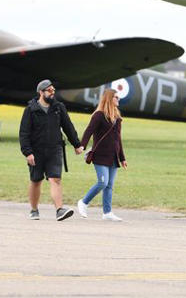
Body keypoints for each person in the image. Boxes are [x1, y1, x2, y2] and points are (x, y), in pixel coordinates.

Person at [19, 79, 83, 221]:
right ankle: (34, 210)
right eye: (49, 91)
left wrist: (76, 144)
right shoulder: (30, 109)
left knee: (56, 179)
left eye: (54, 90)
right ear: (41, 92)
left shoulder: (59, 108)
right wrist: (27, 152)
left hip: (55, 149)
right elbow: (24, 133)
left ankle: (59, 210)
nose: (52, 93)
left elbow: (68, 127)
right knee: (36, 180)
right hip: (36, 151)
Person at [77, 88, 128, 221]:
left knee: (109, 185)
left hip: (113, 156)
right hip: (100, 155)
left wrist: (122, 158)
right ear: (109, 98)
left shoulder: (117, 117)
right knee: (102, 182)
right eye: (116, 97)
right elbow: (89, 130)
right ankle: (83, 202)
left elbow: (118, 139)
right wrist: (82, 145)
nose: (118, 99)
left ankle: (107, 213)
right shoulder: (99, 115)